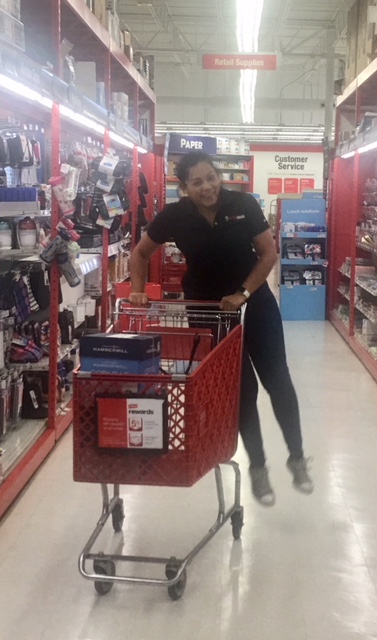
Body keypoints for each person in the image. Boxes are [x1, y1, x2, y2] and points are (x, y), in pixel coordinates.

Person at [129, 151, 313, 505]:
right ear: (184, 187)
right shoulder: (175, 215)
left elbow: (268, 254)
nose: (207, 187)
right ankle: (257, 467)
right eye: (197, 182)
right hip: (208, 311)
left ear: (219, 176)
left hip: (254, 302)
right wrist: (138, 290)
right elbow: (140, 253)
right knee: (241, 389)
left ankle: (297, 457)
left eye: (211, 177)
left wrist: (242, 293)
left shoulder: (242, 204)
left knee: (277, 379)